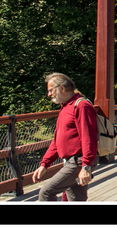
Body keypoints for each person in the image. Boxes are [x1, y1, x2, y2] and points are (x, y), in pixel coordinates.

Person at [32, 73, 97, 201]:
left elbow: (88, 138)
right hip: (71, 162)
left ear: (61, 88)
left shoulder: (81, 105)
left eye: (51, 90)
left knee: (46, 192)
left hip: (78, 161)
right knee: (76, 200)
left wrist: (86, 166)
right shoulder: (66, 107)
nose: (49, 94)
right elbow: (57, 141)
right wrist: (45, 164)